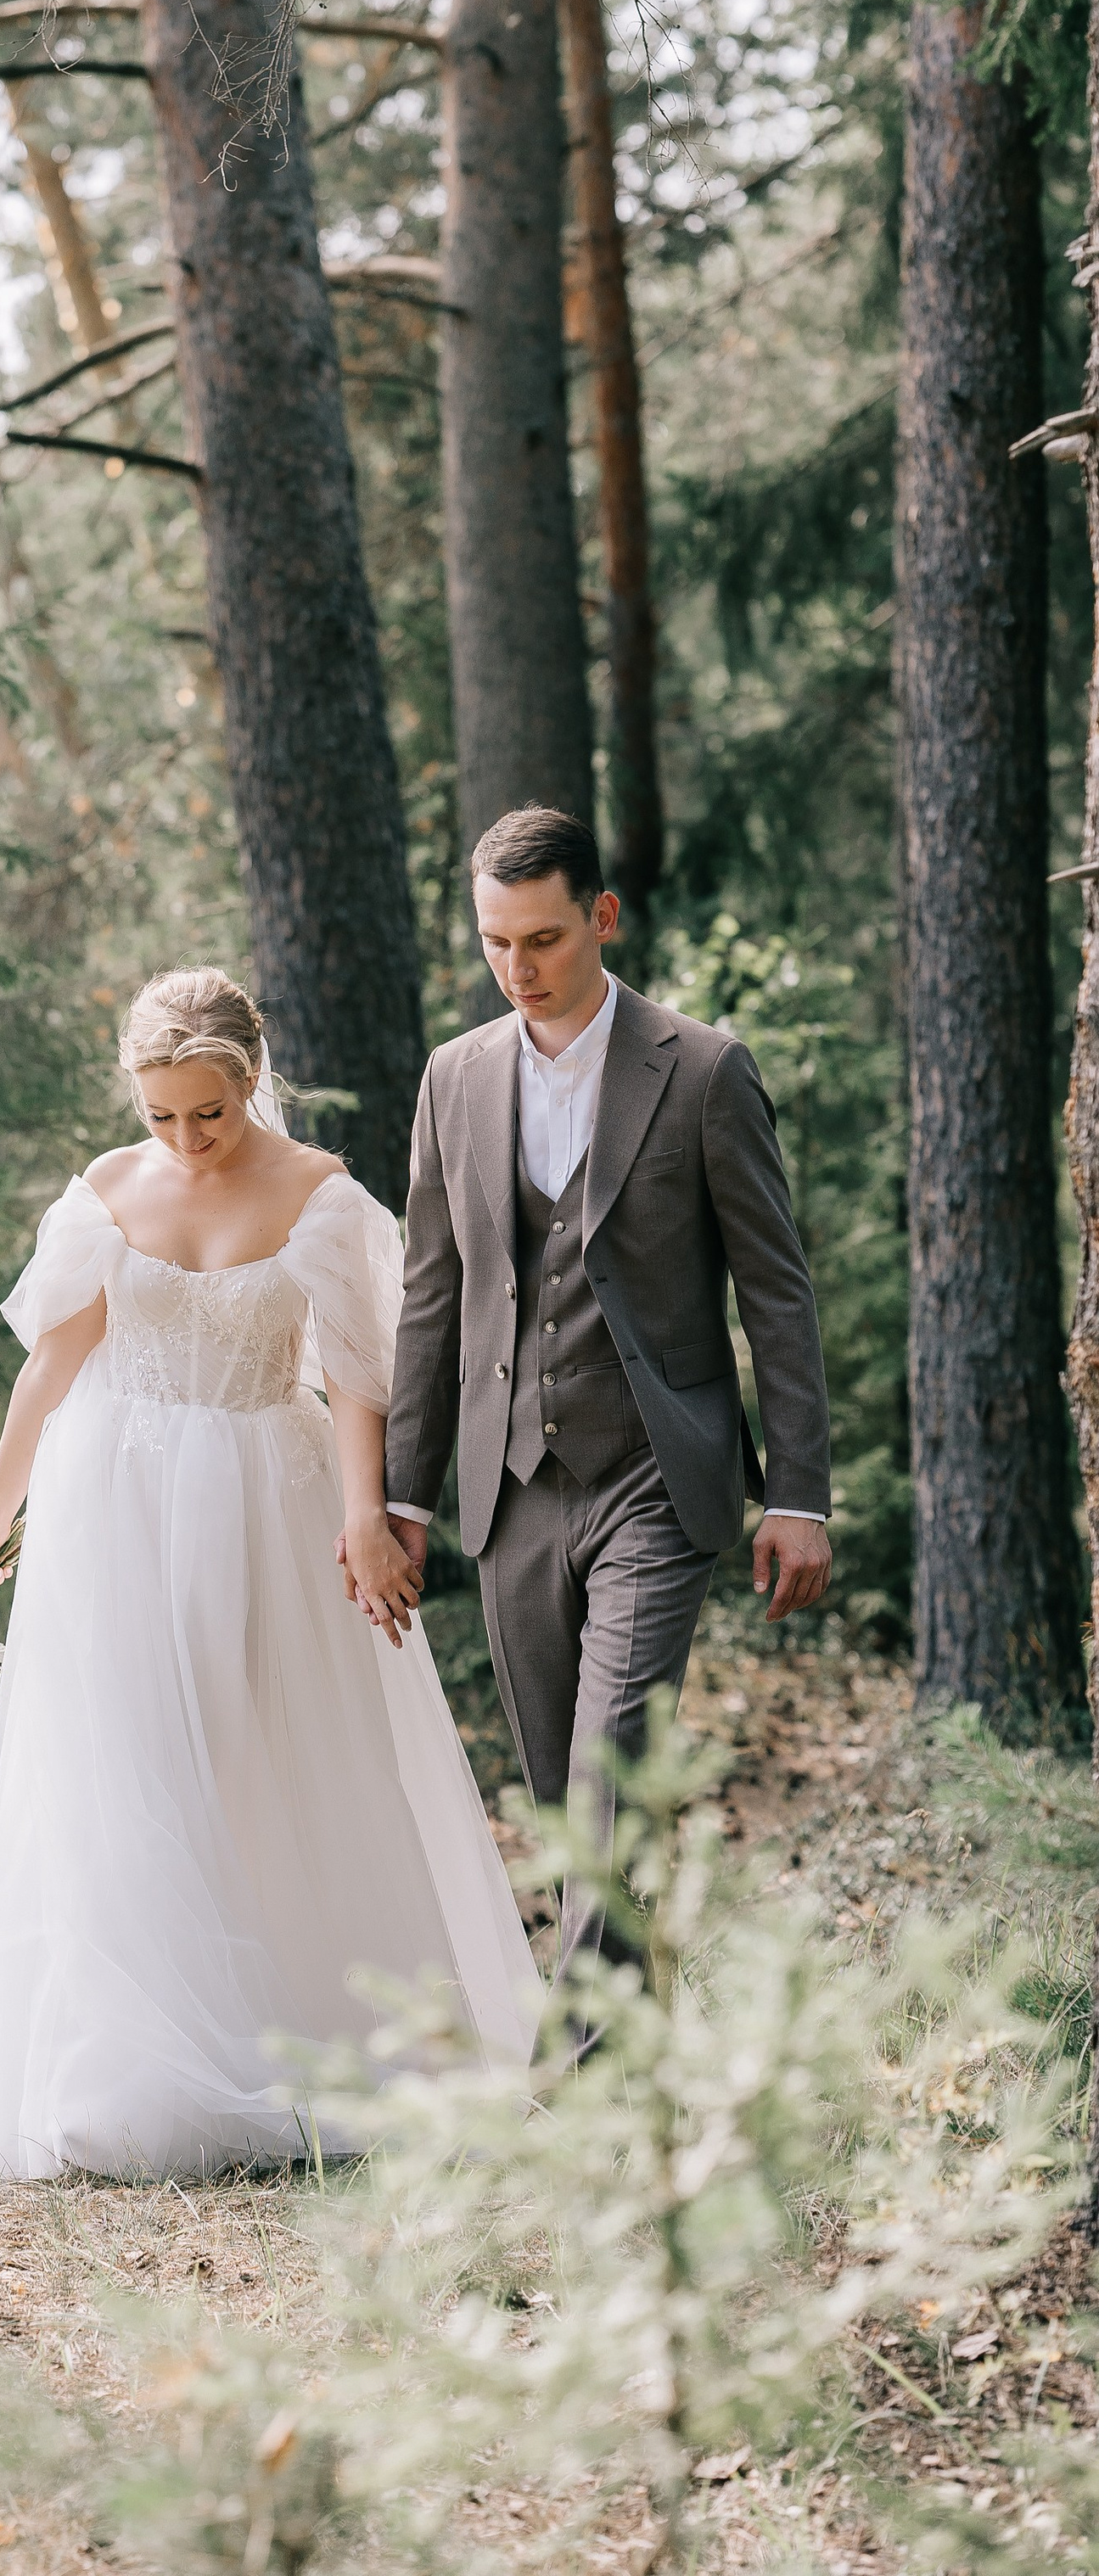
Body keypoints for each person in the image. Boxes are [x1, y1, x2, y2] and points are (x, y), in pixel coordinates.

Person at [0, 966, 541, 2182]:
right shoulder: (106, 1193)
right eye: (161, 1115)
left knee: (259, 1753)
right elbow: (49, 1372)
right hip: (115, 1502)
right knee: (124, 1763)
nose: (186, 1139)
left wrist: (368, 1519)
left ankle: (294, 2029)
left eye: (207, 1112)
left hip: (268, 1492)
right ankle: (117, 2058)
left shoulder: (323, 1200)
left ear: (252, 1081)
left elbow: (362, 1379)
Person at [380, 804, 833, 1977]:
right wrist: (403, 1501)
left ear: (603, 917)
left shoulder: (705, 1073)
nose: (518, 970)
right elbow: (432, 1297)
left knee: (610, 1779)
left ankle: (583, 2093)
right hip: (511, 1487)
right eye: (495, 944)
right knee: (556, 1804)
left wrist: (801, 1494)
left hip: (654, 1473)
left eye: (543, 939)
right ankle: (637, 2081)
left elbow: (776, 1296)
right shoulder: (454, 1080)